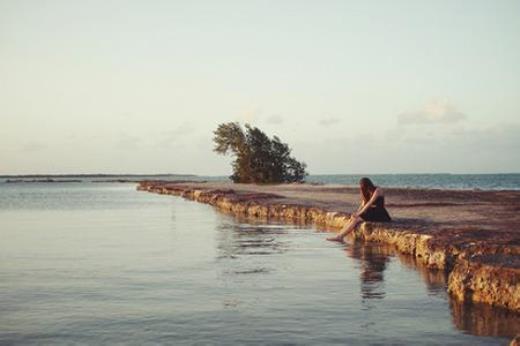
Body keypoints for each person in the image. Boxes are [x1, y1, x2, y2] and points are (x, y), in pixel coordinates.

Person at [327, 177, 391, 242]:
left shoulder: (377, 190)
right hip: (372, 212)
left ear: (369, 184)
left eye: (364, 187)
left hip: (380, 214)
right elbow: (363, 204)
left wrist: (359, 214)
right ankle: (339, 235)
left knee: (357, 219)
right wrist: (356, 213)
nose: (364, 189)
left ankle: (340, 237)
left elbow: (369, 203)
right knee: (353, 218)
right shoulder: (367, 192)